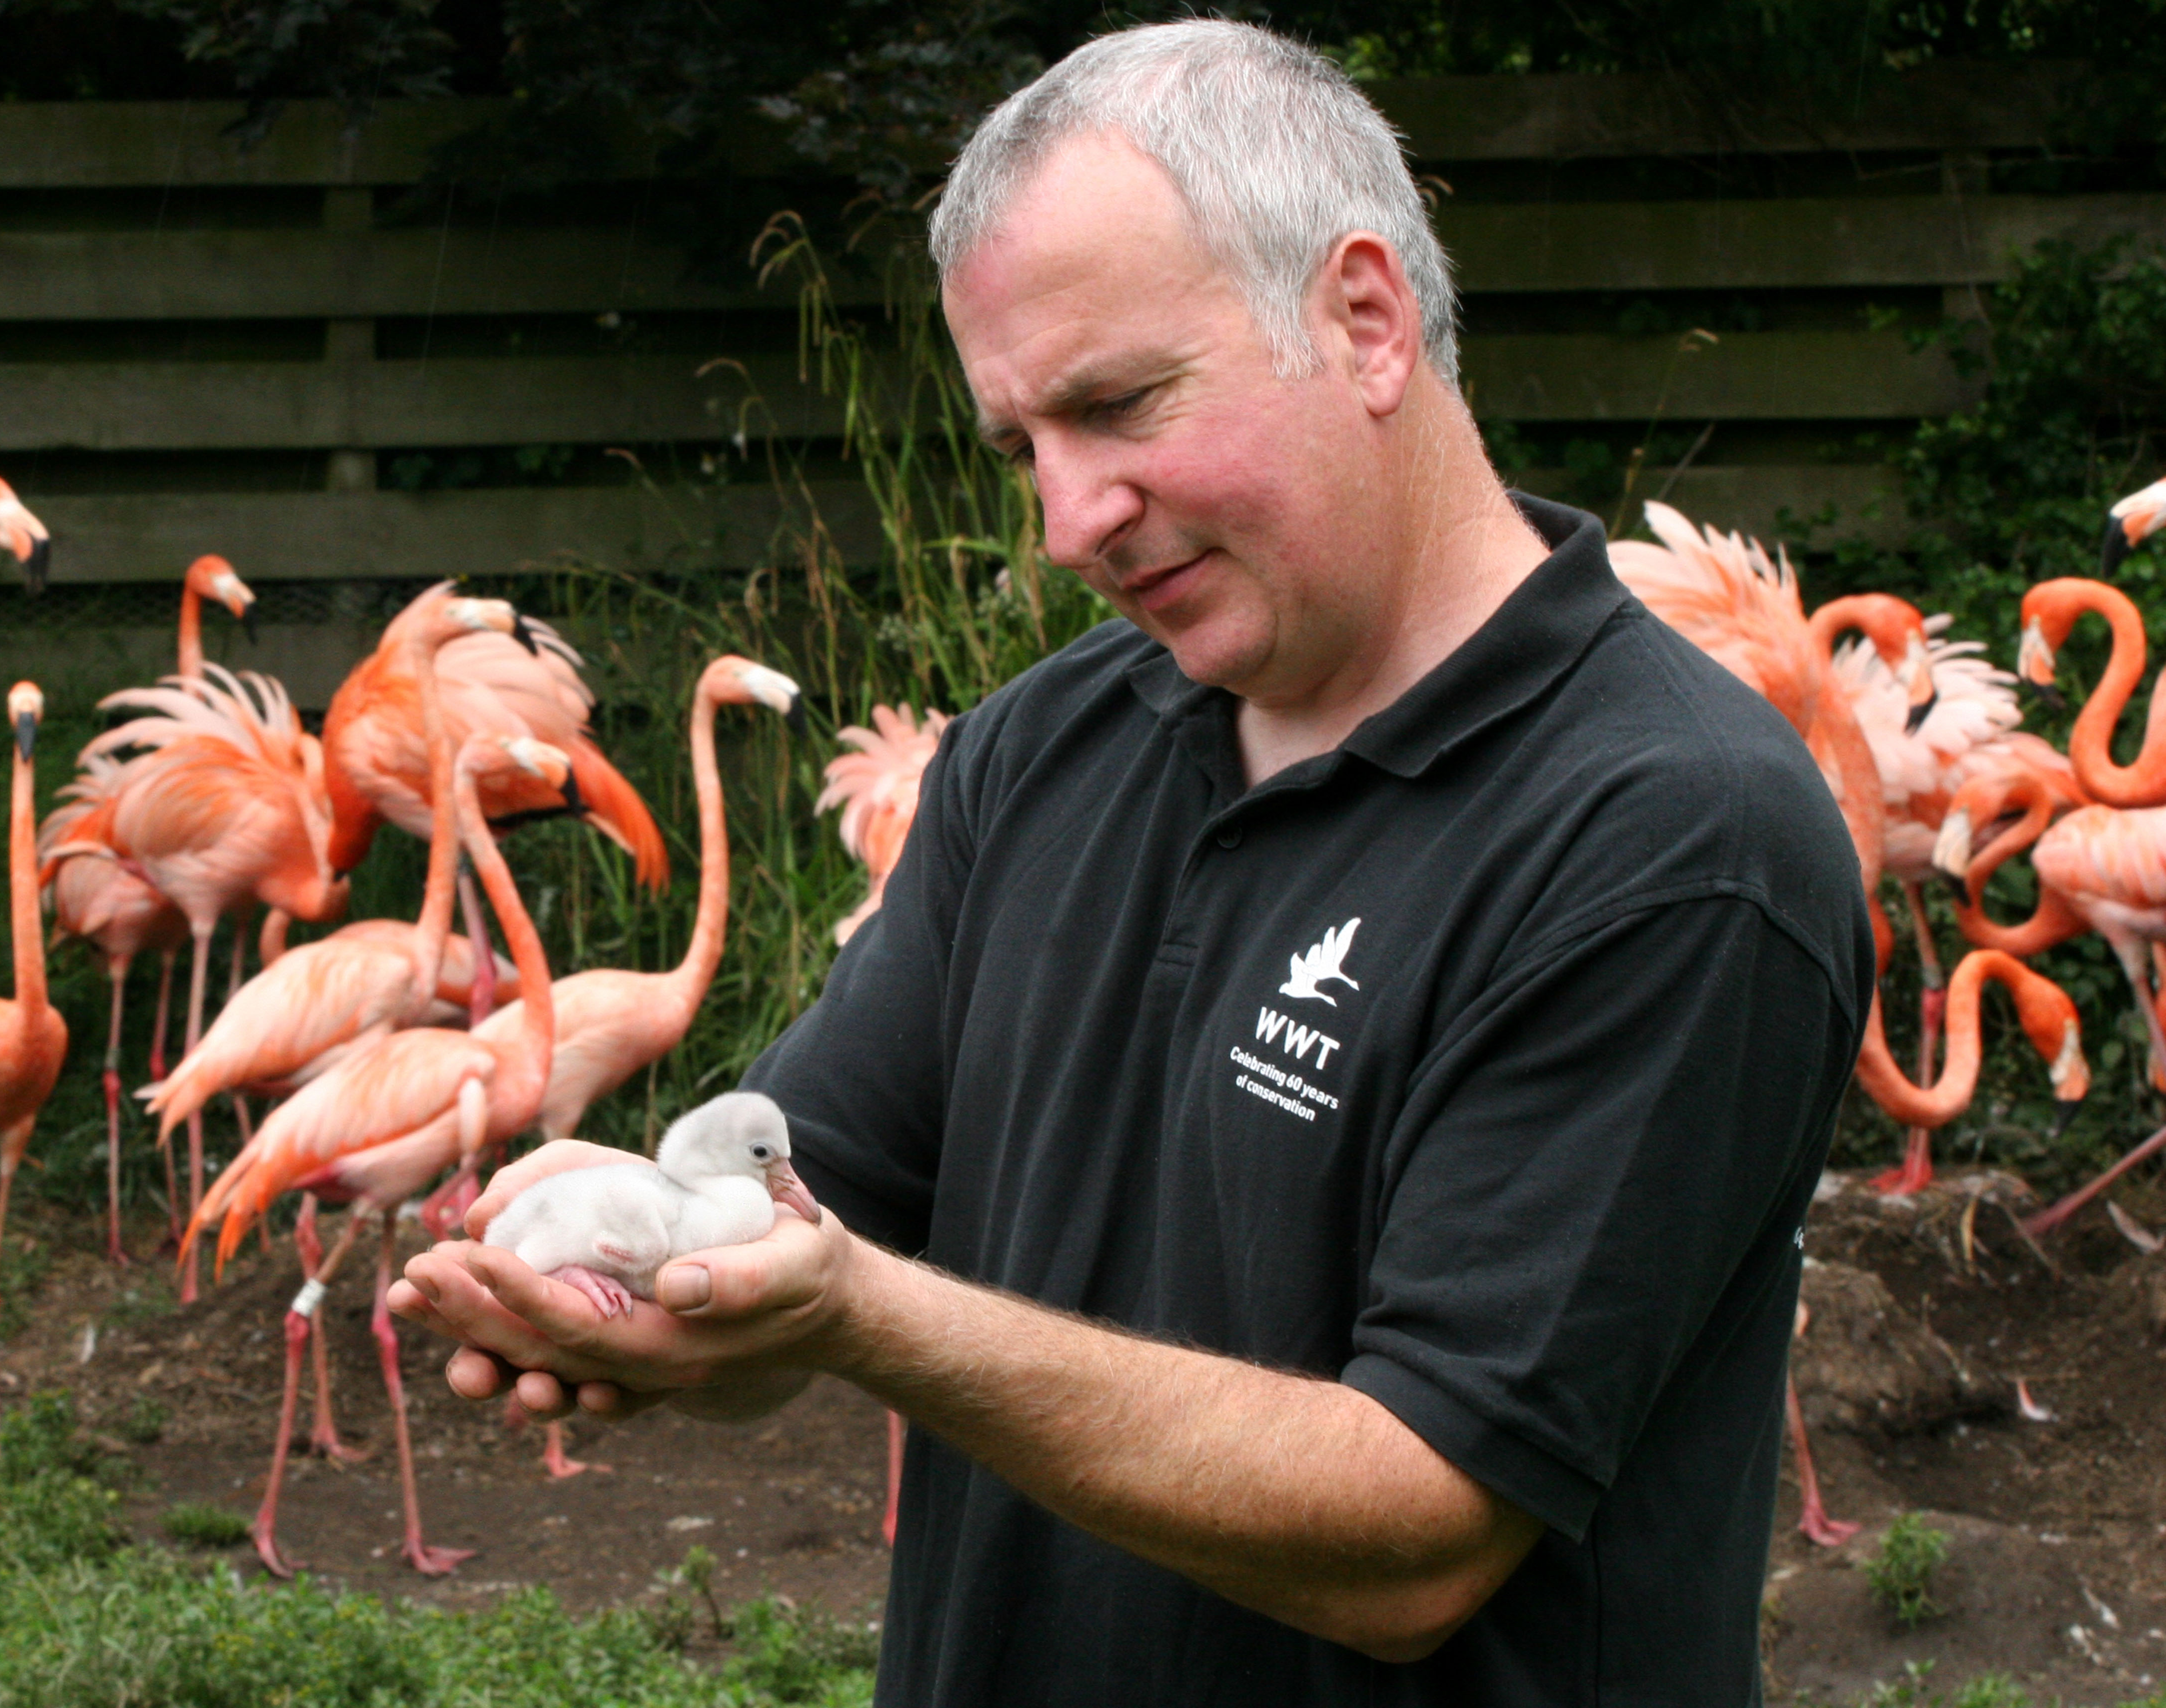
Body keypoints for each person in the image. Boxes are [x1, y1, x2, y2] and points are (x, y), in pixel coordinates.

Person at [390, 18, 1870, 1704]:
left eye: (1119, 406)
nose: (1067, 521)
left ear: (1365, 319)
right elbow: (802, 1228)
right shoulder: (1045, 747)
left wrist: (853, 1310)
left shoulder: (1672, 835)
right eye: (1024, 447)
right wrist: (651, 1284)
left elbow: (1418, 1535)